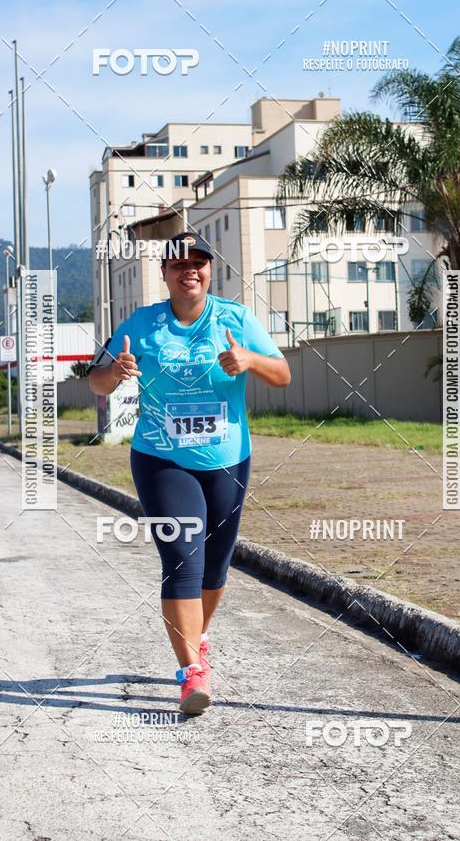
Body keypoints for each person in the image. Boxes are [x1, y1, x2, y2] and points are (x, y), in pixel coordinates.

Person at [89, 231, 291, 715]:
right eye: (179, 264)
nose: (190, 271)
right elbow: (96, 378)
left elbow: (282, 373)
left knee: (216, 568)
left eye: (198, 263)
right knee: (183, 558)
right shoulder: (142, 323)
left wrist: (249, 359)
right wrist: (117, 370)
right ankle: (191, 674)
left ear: (208, 271)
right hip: (162, 460)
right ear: (165, 274)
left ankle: (197, 639)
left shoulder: (235, 318)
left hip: (227, 459)